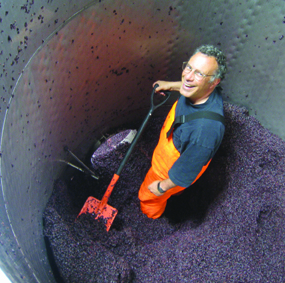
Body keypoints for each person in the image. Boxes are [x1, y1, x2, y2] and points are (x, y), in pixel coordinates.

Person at [138, 44, 227, 219]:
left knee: (150, 196)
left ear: (214, 82)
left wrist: (162, 186)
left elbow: (187, 170)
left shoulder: (204, 132)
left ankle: (150, 215)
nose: (188, 77)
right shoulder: (200, 90)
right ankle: (175, 192)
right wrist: (170, 85)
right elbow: (188, 84)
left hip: (171, 169)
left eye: (199, 74)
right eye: (189, 67)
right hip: (181, 143)